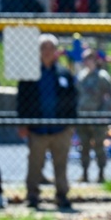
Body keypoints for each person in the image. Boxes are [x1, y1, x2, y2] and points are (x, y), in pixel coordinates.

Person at [16, 33, 78, 210]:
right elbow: (22, 101)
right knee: (35, 164)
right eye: (43, 48)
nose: (47, 51)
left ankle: (62, 196)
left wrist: (71, 125)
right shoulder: (29, 75)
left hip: (61, 129)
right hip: (37, 128)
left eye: (51, 48)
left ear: (56, 51)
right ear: (38, 51)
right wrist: (23, 123)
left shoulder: (64, 73)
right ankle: (33, 196)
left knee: (61, 165)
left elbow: (73, 99)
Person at [76, 49, 111, 183]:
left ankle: (101, 173)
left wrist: (105, 113)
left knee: (99, 145)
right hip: (83, 116)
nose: (86, 61)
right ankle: (85, 173)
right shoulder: (81, 75)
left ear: (94, 60)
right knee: (84, 146)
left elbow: (110, 96)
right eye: (84, 59)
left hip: (98, 117)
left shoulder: (102, 76)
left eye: (88, 58)